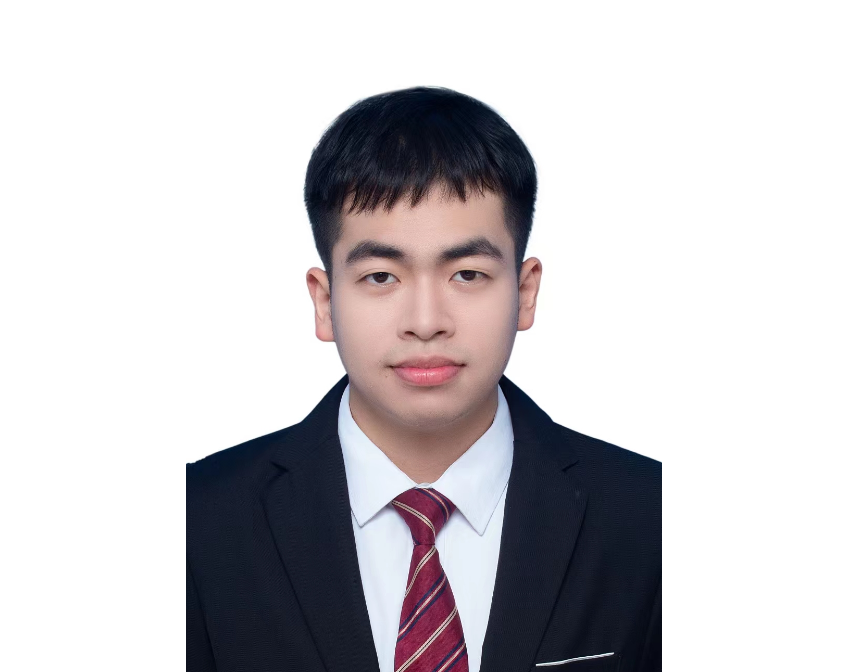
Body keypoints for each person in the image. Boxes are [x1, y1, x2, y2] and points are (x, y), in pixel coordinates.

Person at [186, 86, 661, 672]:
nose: (426, 321)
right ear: (325, 302)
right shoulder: (198, 521)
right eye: (381, 277)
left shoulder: (651, 516)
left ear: (525, 291)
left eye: (467, 274)